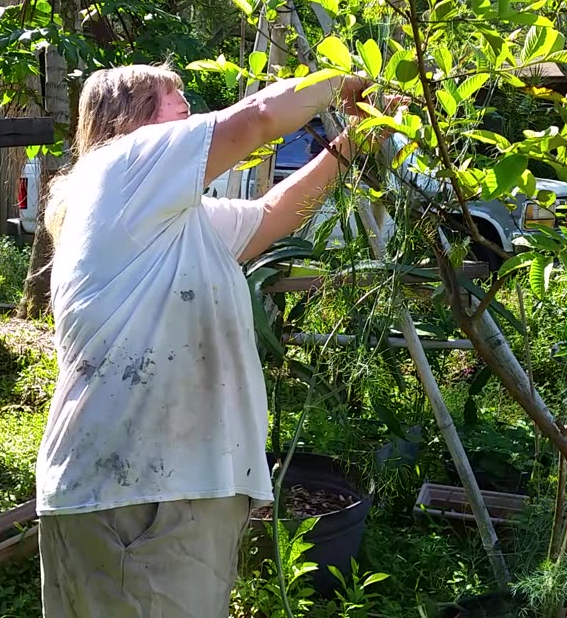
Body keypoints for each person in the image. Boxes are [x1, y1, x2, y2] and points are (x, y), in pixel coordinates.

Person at [36, 63, 378, 618]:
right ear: (130, 118)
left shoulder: (161, 216)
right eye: (174, 99)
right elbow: (258, 118)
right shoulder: (121, 167)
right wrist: (350, 79)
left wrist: (361, 137)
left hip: (155, 488)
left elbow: (273, 216)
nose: (191, 112)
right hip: (142, 494)